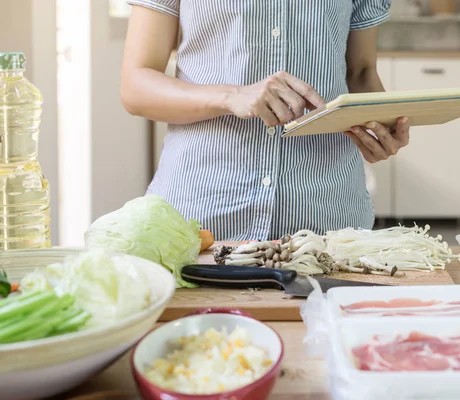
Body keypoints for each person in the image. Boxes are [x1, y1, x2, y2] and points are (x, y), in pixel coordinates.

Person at [121, 0, 410, 241]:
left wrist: (380, 125)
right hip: (201, 214)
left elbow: (360, 72)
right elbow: (136, 87)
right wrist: (231, 95)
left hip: (327, 214)